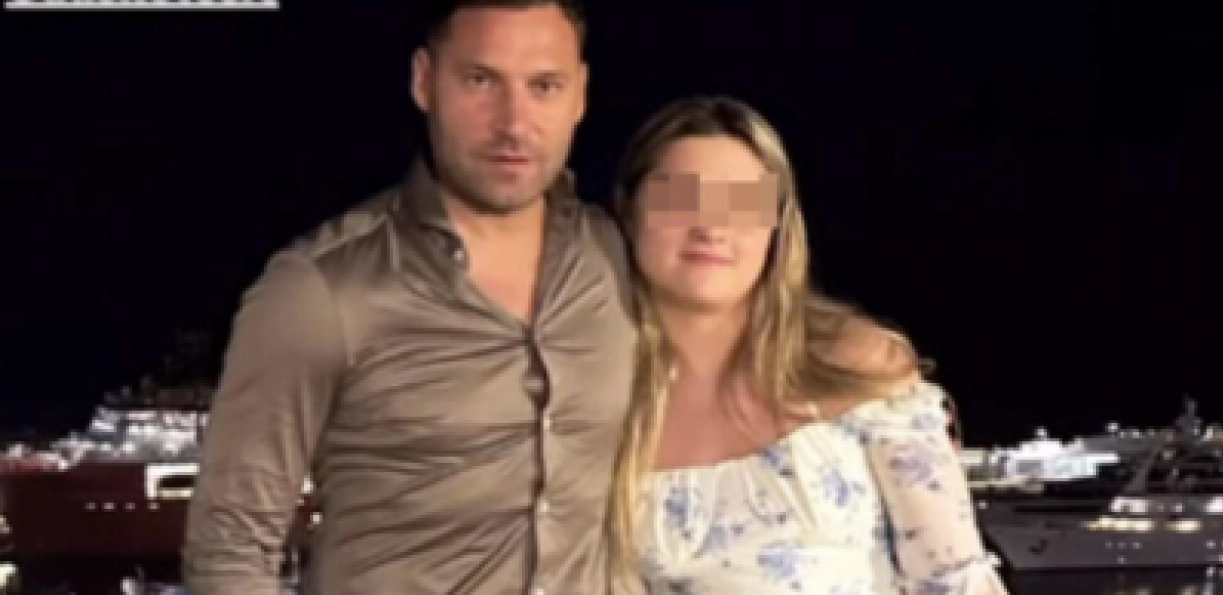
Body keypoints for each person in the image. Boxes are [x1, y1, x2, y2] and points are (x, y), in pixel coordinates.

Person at [182, 1, 637, 594]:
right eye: (481, 81)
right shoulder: (318, 290)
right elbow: (230, 549)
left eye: (544, 87)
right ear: (424, 81)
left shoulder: (615, 256)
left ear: (580, 95)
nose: (514, 123)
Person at [606, 97, 1007, 594]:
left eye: (742, 202)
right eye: (681, 198)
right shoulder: (589, 406)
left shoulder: (861, 373)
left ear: (776, 224)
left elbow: (955, 581)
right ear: (628, 209)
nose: (711, 227)